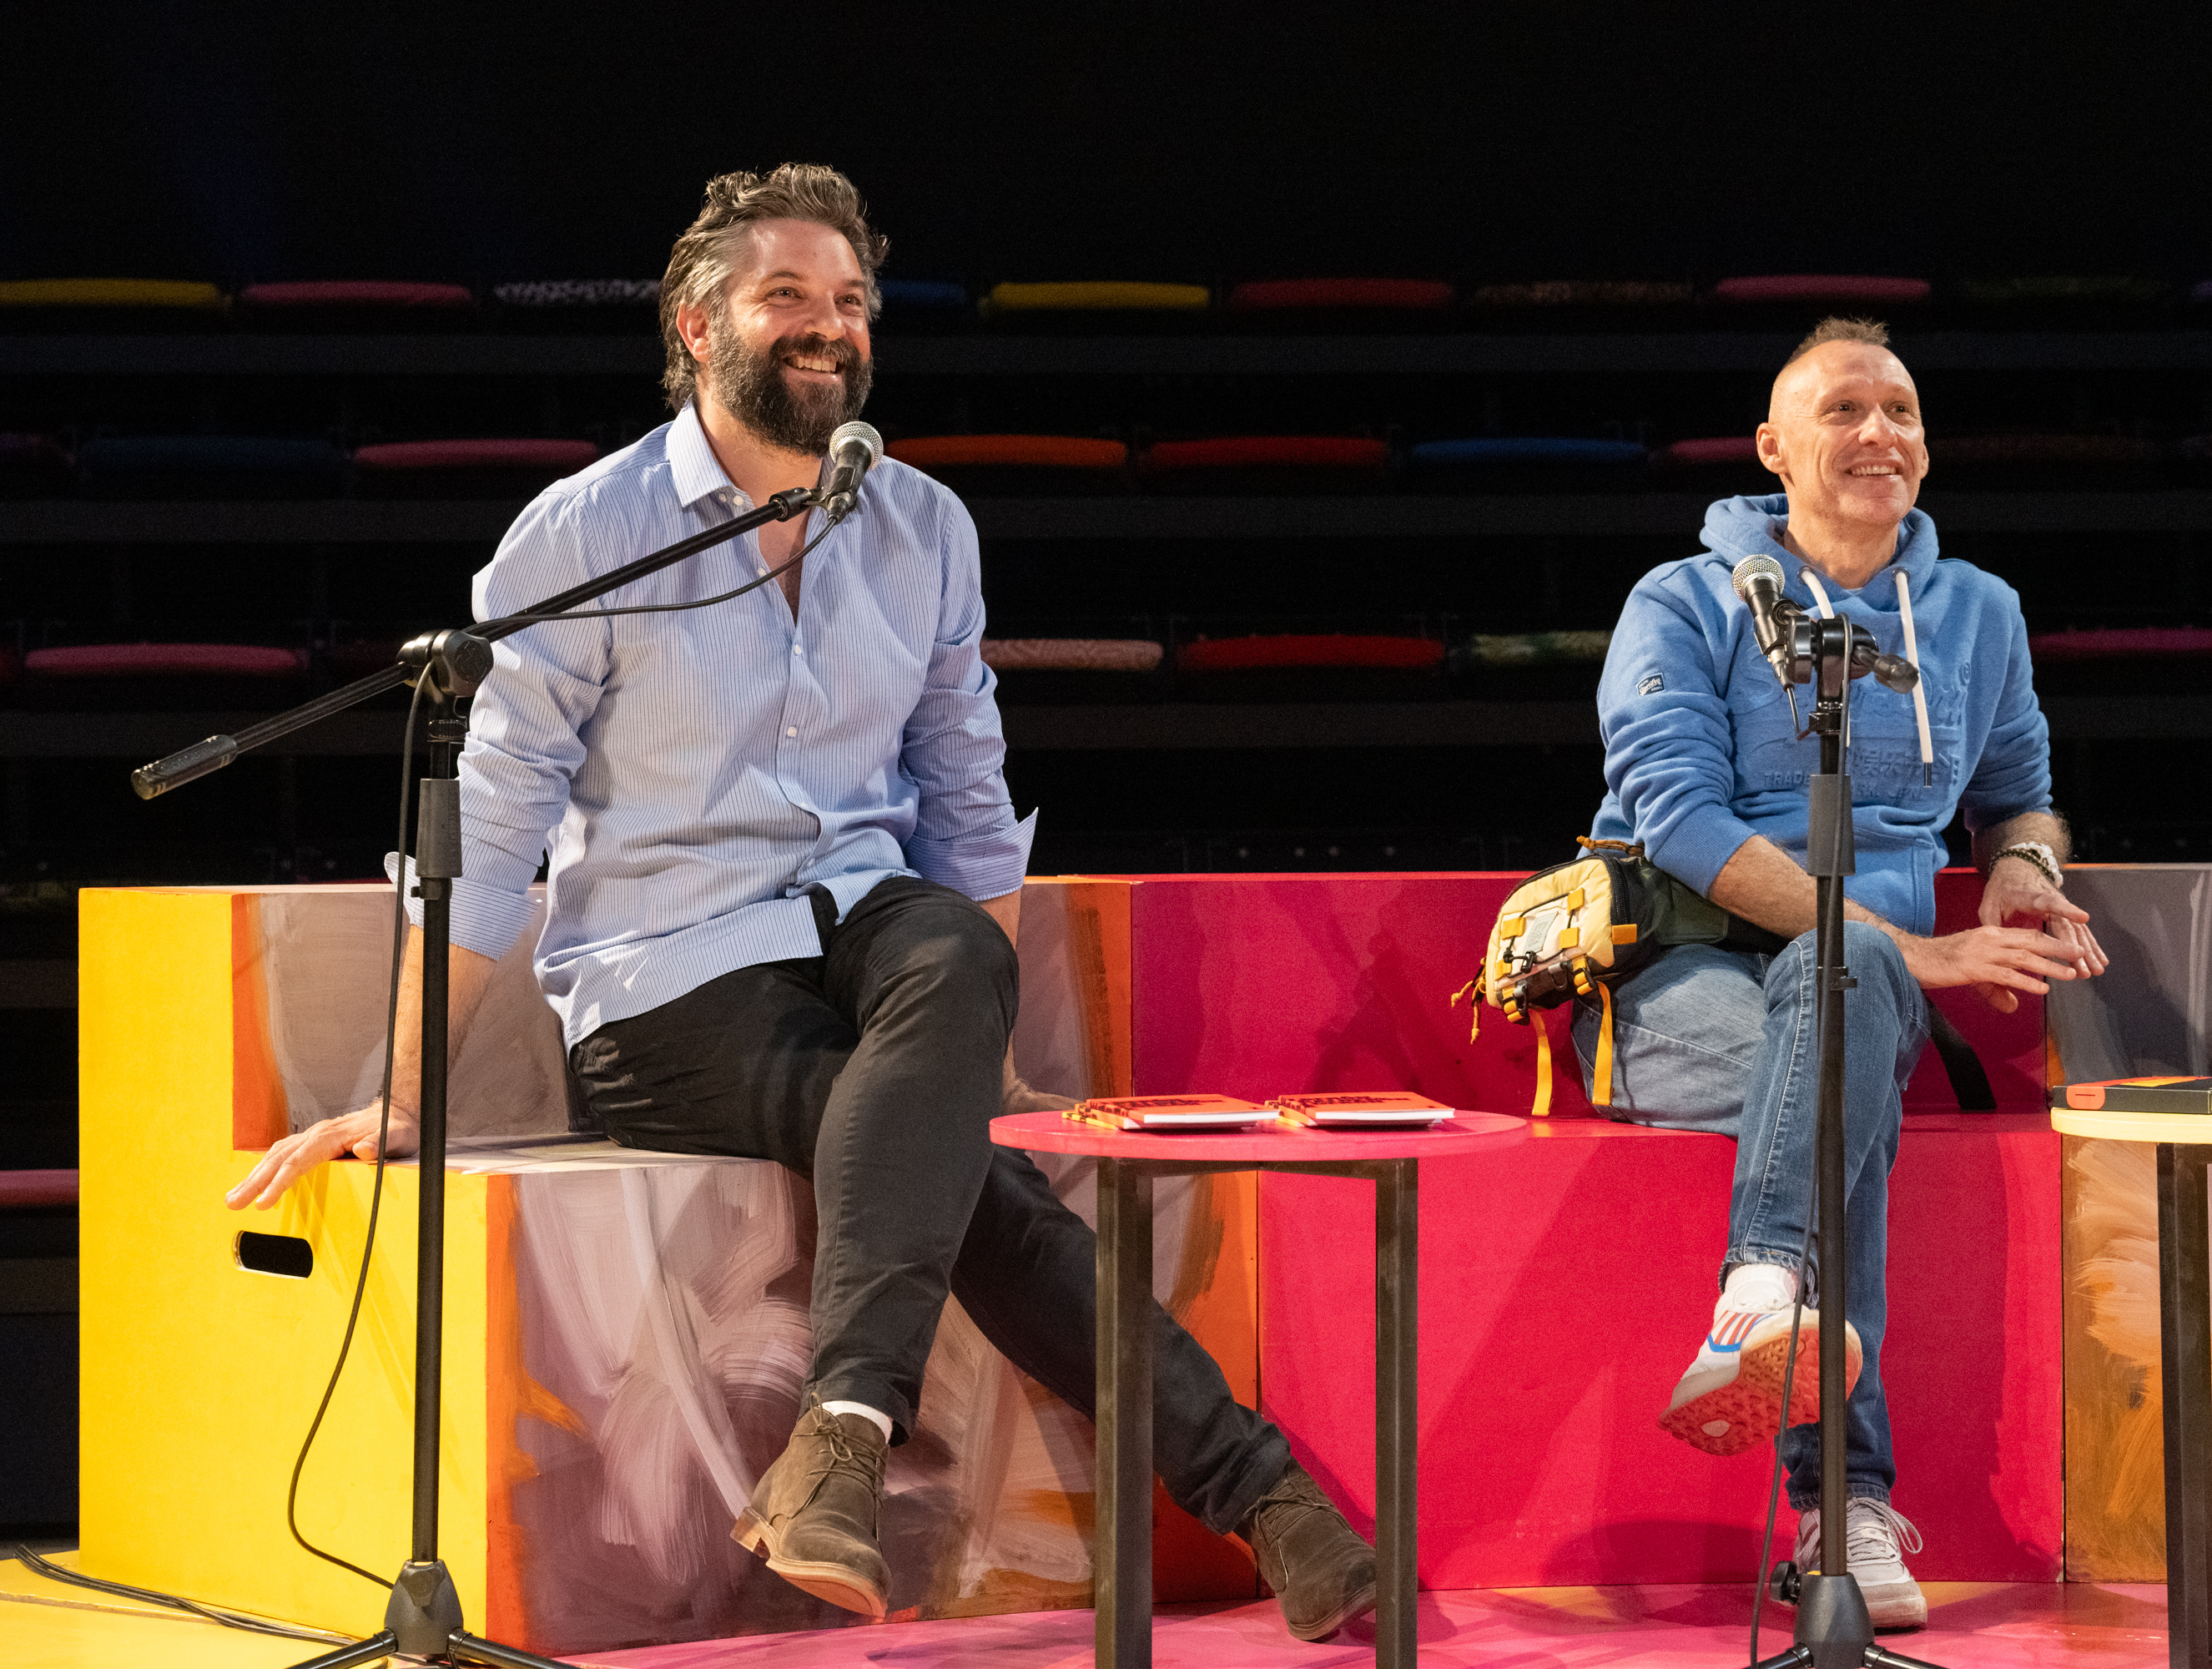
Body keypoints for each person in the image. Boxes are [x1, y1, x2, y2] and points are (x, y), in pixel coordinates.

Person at [226, 164, 1377, 1644]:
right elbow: (495, 826)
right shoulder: (590, 531)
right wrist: (401, 1091)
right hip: (663, 988)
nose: (828, 329)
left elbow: (966, 802)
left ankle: (840, 1435)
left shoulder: (923, 527)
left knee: (950, 942)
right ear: (700, 328)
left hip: (876, 938)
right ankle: (1269, 1500)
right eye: (788, 298)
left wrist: (982, 1047)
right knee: (960, 1178)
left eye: (849, 302)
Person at [1575, 318, 2106, 1630]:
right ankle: (1844, 1498)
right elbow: (1681, 820)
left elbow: (2021, 799)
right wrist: (1919, 946)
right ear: (1773, 448)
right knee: (1842, 1069)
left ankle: (1759, 1302)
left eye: (1903, 412)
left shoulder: (1980, 612)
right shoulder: (1685, 600)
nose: (1881, 435)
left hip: (1865, 988)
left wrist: (2026, 877)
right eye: (1846, 412)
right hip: (1686, 982)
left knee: (1848, 1004)